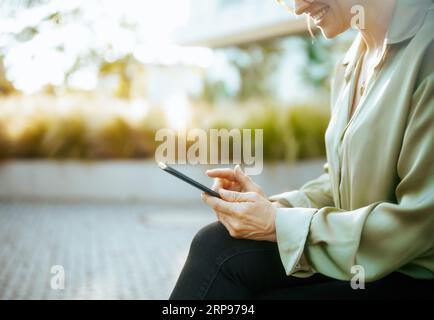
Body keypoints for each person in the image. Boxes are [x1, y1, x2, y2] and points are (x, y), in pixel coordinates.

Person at [170, 0, 434, 299]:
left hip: (410, 272)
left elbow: (420, 227)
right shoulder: (353, 60)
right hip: (360, 258)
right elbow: (339, 184)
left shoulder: (428, 48)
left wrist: (278, 225)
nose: (297, 8)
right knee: (215, 245)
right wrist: (275, 209)